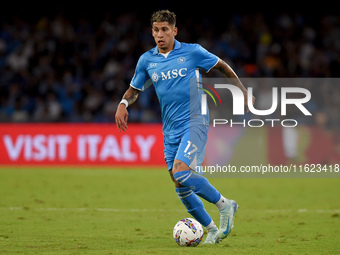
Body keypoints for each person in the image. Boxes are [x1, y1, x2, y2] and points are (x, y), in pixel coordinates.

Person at [115, 10, 255, 244]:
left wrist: (242, 91)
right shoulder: (147, 60)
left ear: (174, 31)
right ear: (152, 32)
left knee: (181, 171)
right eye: (156, 30)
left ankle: (225, 205)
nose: (160, 35)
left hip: (195, 121)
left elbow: (222, 66)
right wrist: (122, 103)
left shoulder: (193, 52)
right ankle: (211, 229)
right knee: (179, 183)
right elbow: (135, 90)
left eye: (165, 30)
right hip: (169, 130)